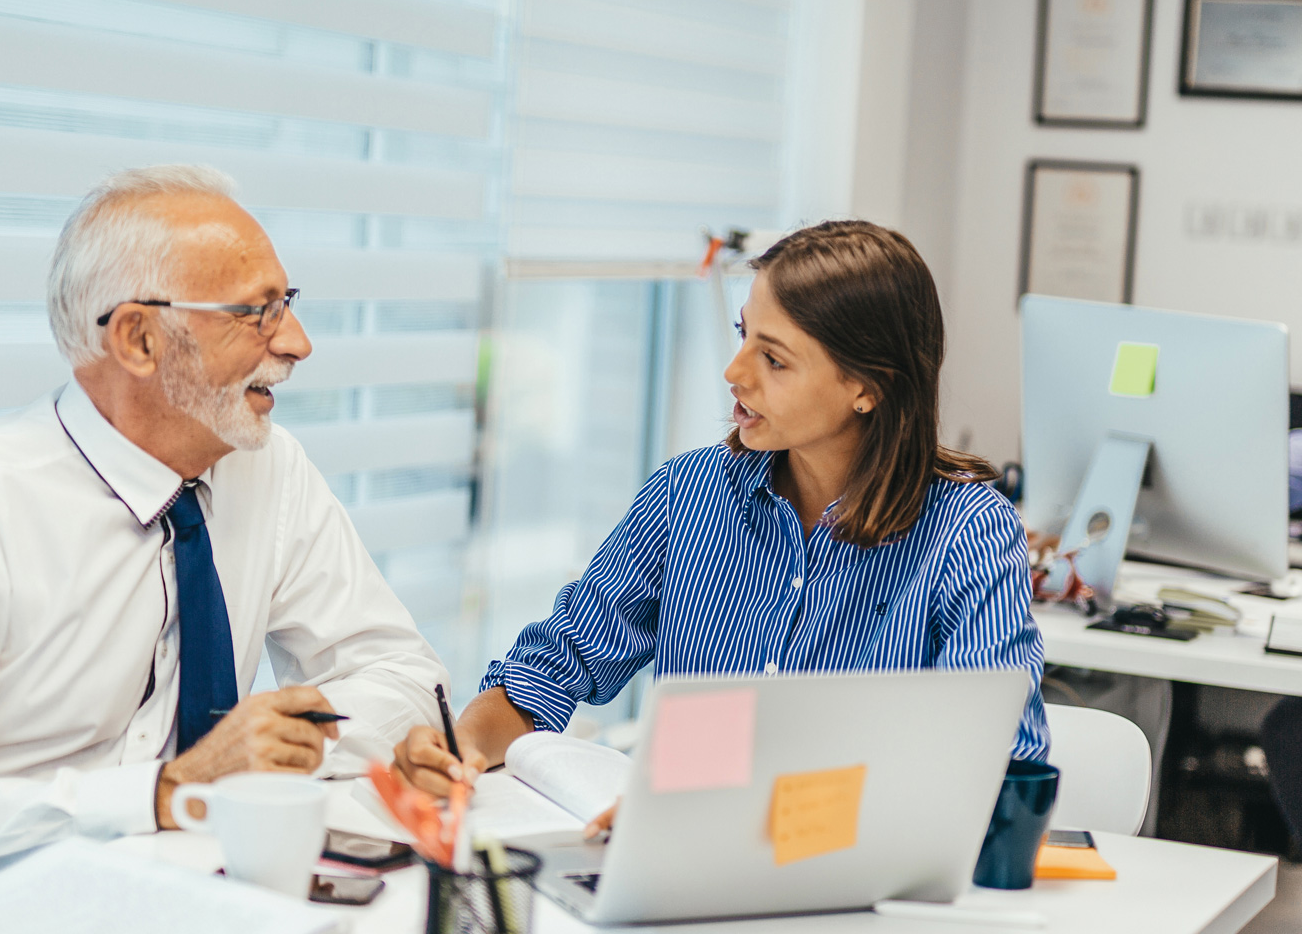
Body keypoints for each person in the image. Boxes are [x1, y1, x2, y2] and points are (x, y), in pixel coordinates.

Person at [0, 165, 449, 924]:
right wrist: (169, 792)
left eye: (286, 305)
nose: (296, 343)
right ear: (138, 338)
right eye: (256, 313)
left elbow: (404, 673)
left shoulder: (269, 468)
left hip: (144, 899)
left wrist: (288, 746)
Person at [394, 220, 1049, 824]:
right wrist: (459, 746)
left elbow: (1001, 766)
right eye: (743, 336)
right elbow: (554, 666)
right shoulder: (688, 494)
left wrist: (736, 824)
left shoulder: (967, 531)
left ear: (867, 386)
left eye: (775, 359)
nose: (734, 374)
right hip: (682, 886)